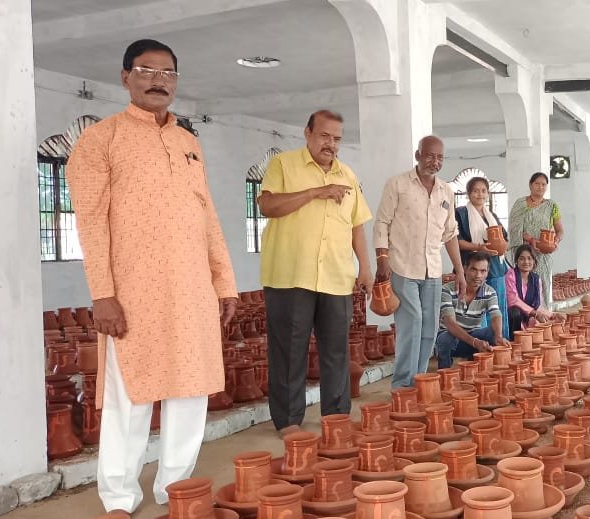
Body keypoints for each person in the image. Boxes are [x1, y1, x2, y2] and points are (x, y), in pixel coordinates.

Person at [66, 39, 239, 516]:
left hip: (192, 289)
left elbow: (208, 217)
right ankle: (119, 497)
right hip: (132, 292)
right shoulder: (100, 140)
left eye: (168, 73)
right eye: (147, 70)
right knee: (131, 396)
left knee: (190, 391)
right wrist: (103, 294)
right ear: (126, 77)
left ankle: (176, 490)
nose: (158, 80)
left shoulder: (188, 143)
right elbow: (91, 223)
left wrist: (224, 282)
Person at [257, 109, 372, 437]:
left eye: (337, 138)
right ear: (307, 133)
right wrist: (313, 193)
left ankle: (336, 417)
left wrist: (365, 267)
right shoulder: (283, 165)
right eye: (324, 136)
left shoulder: (348, 175)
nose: (330, 144)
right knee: (289, 351)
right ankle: (288, 421)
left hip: (336, 276)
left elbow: (357, 226)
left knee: (336, 351)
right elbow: (267, 206)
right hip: (290, 275)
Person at [374, 136, 465, 388]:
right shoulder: (397, 184)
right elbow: (382, 223)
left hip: (432, 270)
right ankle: (402, 386)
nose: (435, 162)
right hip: (402, 267)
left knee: (429, 328)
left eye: (440, 158)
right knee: (411, 323)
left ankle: (419, 382)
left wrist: (459, 270)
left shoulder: (446, 191)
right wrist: (382, 259)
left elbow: (450, 234)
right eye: (430, 156)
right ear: (418, 155)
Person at [454, 176, 510, 337]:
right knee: (478, 307)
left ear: (488, 194)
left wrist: (502, 247)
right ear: (469, 193)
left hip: (495, 268)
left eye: (483, 191)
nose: (480, 194)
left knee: (497, 307)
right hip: (473, 268)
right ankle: (481, 344)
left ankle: (500, 342)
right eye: (476, 191)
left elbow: (504, 238)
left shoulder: (491, 215)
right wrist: (479, 247)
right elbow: (456, 241)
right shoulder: (460, 213)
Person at [435, 252, 509, 368]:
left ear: (487, 272)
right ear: (465, 269)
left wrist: (499, 336)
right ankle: (445, 372)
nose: (478, 275)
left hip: (473, 335)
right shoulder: (447, 290)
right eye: (474, 270)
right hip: (452, 338)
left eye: (483, 271)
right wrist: (474, 342)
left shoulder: (489, 292)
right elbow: (450, 323)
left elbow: (496, 315)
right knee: (446, 338)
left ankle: (478, 368)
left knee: (493, 333)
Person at [508, 172, 563, 306]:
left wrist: (555, 241)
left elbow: (560, 230)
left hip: (543, 254)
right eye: (537, 184)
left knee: (542, 285)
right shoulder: (520, 204)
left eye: (543, 184)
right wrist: (531, 240)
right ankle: (524, 313)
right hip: (524, 253)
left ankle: (543, 313)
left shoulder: (552, 206)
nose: (540, 187)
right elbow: (514, 229)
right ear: (530, 185)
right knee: (523, 284)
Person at [504, 245, 565, 333]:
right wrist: (535, 313)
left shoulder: (536, 279)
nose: (526, 262)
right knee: (515, 312)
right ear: (516, 261)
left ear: (533, 261)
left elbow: (537, 305)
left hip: (528, 317)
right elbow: (513, 300)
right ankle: (514, 339)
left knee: (543, 323)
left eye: (529, 258)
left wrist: (552, 315)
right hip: (513, 318)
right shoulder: (511, 275)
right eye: (522, 259)